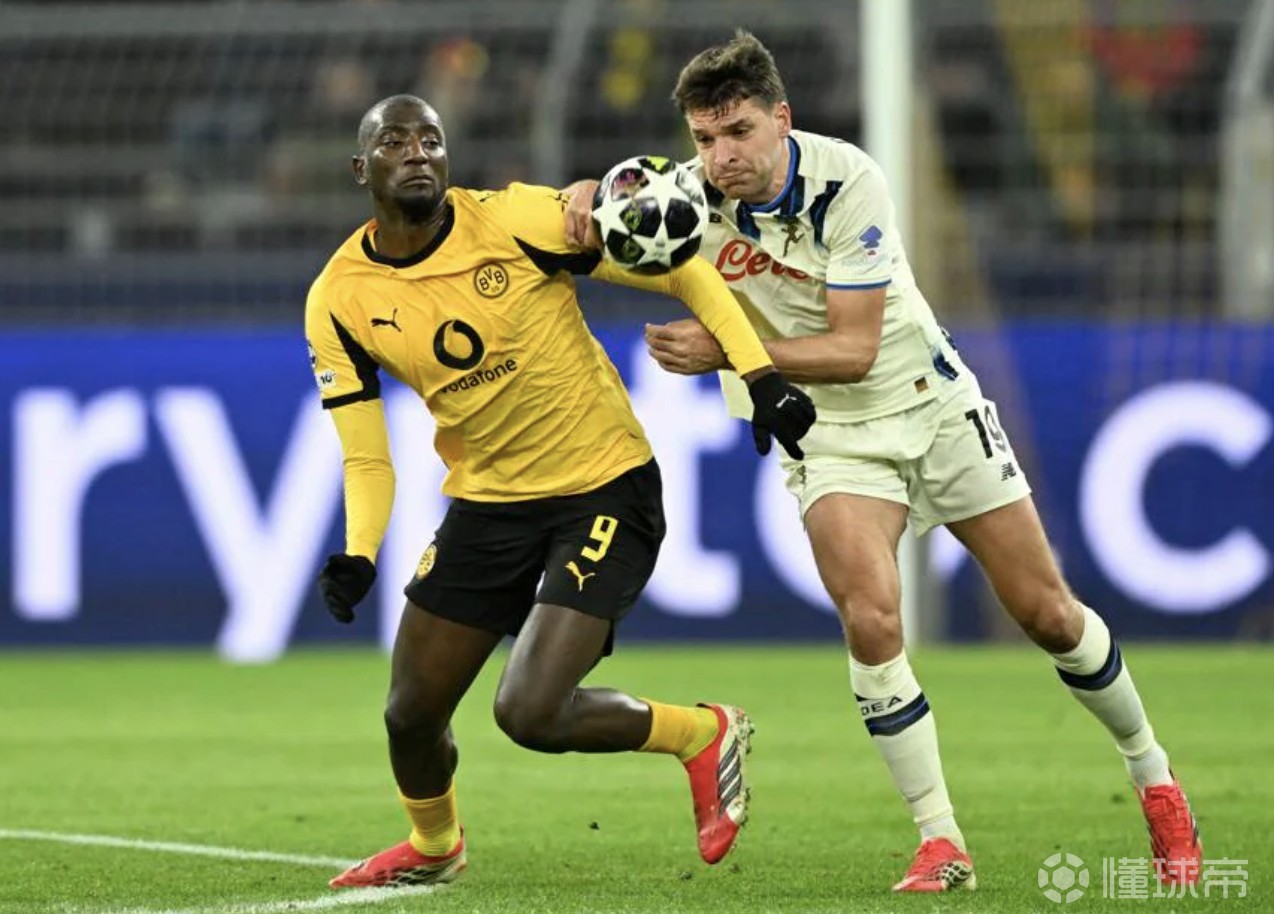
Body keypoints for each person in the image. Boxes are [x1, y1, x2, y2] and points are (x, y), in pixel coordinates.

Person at [563, 31, 1202, 894]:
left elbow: (856, 349)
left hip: (930, 405)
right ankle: (941, 841)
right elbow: (580, 227)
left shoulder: (849, 180)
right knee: (870, 617)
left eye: (739, 132)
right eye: (705, 139)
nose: (721, 158)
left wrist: (730, 352)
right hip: (828, 432)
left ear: (781, 119)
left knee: (1047, 613)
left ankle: (1156, 779)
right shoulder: (683, 201)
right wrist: (575, 199)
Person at [306, 93, 815, 889]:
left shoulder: (515, 221)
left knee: (530, 712)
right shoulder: (339, 297)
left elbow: (686, 271)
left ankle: (700, 733)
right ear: (359, 167)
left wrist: (761, 374)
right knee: (409, 713)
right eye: (395, 142)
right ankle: (435, 846)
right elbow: (367, 456)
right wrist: (359, 552)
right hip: (488, 502)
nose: (417, 153)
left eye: (431, 140)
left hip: (603, 487)